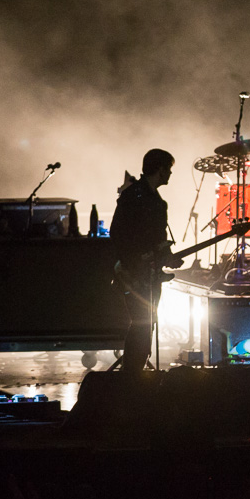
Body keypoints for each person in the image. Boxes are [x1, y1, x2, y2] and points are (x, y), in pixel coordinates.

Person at [110, 149, 180, 374]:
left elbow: (152, 240)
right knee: (142, 324)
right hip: (137, 274)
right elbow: (121, 235)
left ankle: (133, 374)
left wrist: (164, 257)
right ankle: (131, 376)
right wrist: (139, 260)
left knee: (144, 323)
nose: (169, 174)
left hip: (140, 273)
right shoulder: (146, 200)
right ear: (160, 169)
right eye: (168, 169)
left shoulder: (141, 197)